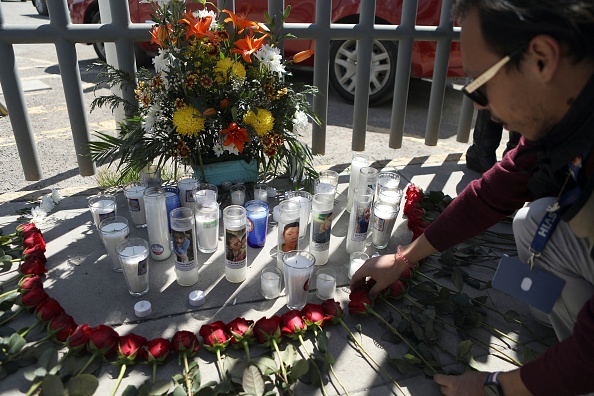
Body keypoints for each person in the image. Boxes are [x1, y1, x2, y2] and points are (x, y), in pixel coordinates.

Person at [351, 1, 594, 395]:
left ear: (542, 59)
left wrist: (495, 386)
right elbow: (494, 191)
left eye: (481, 84)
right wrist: (402, 259)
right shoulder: (569, 114)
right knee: (531, 222)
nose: (479, 105)